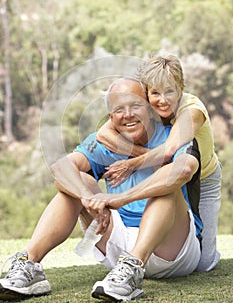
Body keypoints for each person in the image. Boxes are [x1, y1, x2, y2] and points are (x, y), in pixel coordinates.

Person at [0, 78, 201, 302]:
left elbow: (184, 169)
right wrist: (88, 198)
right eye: (119, 109)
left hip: (172, 249)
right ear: (110, 117)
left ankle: (134, 267)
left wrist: (121, 198)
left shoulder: (172, 136)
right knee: (78, 183)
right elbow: (61, 168)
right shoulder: (103, 143)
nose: (127, 115)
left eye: (135, 106)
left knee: (166, 186)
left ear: (150, 109)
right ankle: (30, 264)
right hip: (119, 246)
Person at [97, 54, 222, 273]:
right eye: (155, 93)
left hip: (203, 179)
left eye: (169, 91)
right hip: (174, 173)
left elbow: (170, 150)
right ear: (147, 92)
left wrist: (131, 164)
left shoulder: (192, 109)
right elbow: (103, 133)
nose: (162, 100)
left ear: (181, 88)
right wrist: (143, 154)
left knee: (203, 265)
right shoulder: (147, 105)